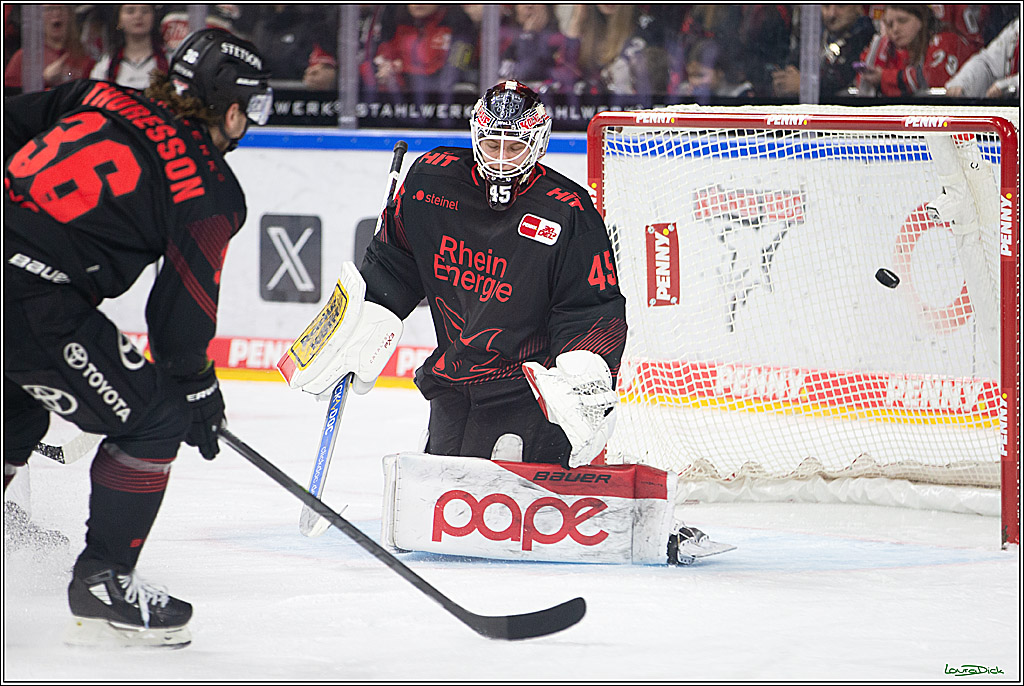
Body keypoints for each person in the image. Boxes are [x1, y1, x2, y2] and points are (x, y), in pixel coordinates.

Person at [280, 80, 731, 565]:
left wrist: (583, 371)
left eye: (513, 145)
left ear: (537, 143)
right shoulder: (430, 181)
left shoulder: (568, 210)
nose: (499, 156)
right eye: (491, 142)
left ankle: (650, 526)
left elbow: (590, 307)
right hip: (454, 378)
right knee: (444, 512)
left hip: (527, 389)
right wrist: (358, 322)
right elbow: (393, 261)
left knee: (523, 519)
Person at [3, 27, 273, 648]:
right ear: (231, 108)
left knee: (18, 413)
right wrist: (197, 393)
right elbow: (178, 326)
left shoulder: (98, 98)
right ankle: (104, 582)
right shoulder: (209, 190)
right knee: (153, 418)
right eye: (251, 107)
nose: (250, 122)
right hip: (30, 301)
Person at [855, 4, 978, 96]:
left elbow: (933, 80)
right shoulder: (887, 47)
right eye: (889, 24)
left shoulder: (946, 40)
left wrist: (884, 77)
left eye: (903, 21)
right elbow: (864, 83)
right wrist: (878, 47)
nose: (895, 29)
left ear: (922, 20)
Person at [772, 5, 877, 99]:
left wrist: (806, 85)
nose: (832, 14)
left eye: (841, 6)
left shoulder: (866, 37)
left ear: (858, 7)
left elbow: (844, 77)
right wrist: (787, 76)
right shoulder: (817, 32)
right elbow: (794, 60)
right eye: (826, 6)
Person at [4, 4, 96, 92]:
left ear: (70, 15)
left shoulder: (84, 56)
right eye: (49, 9)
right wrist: (43, 79)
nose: (56, 14)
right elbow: (10, 96)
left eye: (61, 8)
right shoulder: (24, 57)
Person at [90, 4, 168, 90]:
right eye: (130, 11)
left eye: (145, 11)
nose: (138, 16)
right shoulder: (105, 66)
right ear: (119, 20)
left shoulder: (170, 61)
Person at [944, 17, 1019, 98]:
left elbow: (1004, 87)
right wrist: (963, 81)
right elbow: (988, 64)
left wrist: (1007, 85)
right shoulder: (1016, 28)